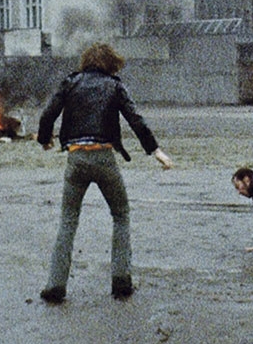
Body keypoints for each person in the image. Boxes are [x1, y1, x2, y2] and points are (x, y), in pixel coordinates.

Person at [37, 43, 173, 303]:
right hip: (104, 157)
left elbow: (48, 114)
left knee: (68, 221)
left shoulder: (70, 82)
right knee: (120, 215)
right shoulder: (115, 85)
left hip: (76, 157)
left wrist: (45, 140)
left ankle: (55, 285)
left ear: (85, 61)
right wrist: (155, 151)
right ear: (111, 63)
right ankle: (121, 281)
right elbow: (135, 119)